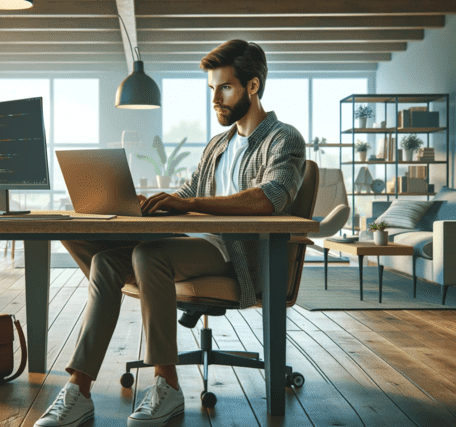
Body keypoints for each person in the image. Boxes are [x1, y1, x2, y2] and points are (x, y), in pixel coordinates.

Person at [34, 39, 306, 427]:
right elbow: (188, 194)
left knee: (147, 255)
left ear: (253, 86)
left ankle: (168, 385)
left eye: (225, 87)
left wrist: (185, 206)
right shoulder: (218, 145)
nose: (216, 98)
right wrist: (152, 202)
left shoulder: (283, 138)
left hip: (236, 256)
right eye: (212, 89)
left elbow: (269, 199)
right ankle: (78, 389)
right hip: (193, 244)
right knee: (98, 254)